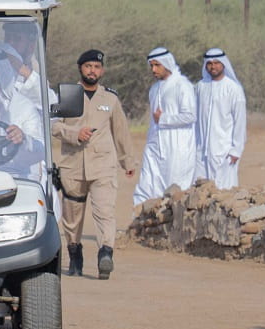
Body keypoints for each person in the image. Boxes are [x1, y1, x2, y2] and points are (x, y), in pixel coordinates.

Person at [51, 50, 137, 279]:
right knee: (72, 218)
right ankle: (75, 254)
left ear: (102, 71)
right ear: (80, 68)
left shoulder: (110, 98)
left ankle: (105, 253)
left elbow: (120, 131)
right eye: (88, 66)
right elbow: (54, 126)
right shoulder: (67, 95)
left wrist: (127, 161)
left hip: (103, 166)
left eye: (97, 67)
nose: (92, 71)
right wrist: (74, 133)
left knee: (105, 211)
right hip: (73, 166)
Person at [132, 47, 199, 206]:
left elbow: (190, 116)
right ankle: (142, 219)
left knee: (175, 190)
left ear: (167, 64)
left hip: (177, 147)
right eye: (151, 66)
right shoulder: (154, 89)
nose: (153, 70)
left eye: (157, 65)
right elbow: (153, 120)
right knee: (147, 184)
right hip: (155, 145)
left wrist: (164, 119)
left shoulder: (182, 85)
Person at [0, 41, 47, 184]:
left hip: (14, 178)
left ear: (2, 71)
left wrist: (24, 139)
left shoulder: (22, 106)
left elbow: (40, 150)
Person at [195, 47, 247, 189]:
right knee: (201, 192)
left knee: (224, 191)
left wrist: (236, 150)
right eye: (209, 63)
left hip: (224, 150)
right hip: (201, 151)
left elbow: (240, 121)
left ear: (223, 64)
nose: (213, 67)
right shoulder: (200, 87)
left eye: (216, 63)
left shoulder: (233, 89)